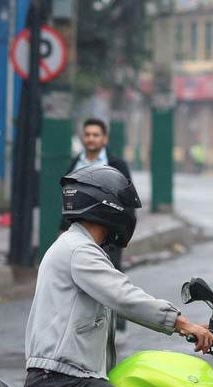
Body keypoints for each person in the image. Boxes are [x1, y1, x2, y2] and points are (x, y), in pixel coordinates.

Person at [23, 165, 213, 387]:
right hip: (63, 378)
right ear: (108, 207)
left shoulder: (75, 247)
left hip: (61, 374)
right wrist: (183, 324)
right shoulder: (79, 251)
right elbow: (125, 297)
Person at [68, 119, 134, 341]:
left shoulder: (117, 165)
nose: (91, 139)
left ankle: (118, 325)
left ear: (104, 139)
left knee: (111, 277)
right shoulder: (75, 164)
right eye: (87, 135)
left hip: (109, 233)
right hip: (81, 234)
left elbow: (127, 199)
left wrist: (122, 232)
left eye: (96, 135)